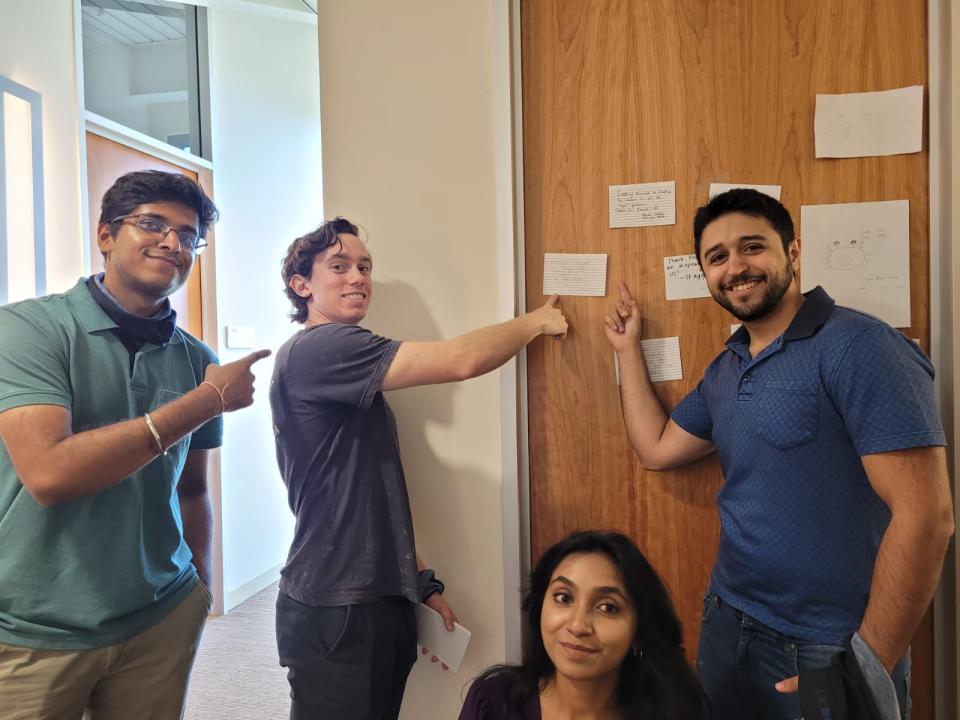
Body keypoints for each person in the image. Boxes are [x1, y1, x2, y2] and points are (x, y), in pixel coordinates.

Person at [602, 188, 954, 719]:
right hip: (728, 623)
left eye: (752, 247)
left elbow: (927, 517)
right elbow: (656, 447)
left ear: (792, 252)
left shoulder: (861, 346)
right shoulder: (726, 369)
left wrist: (865, 666)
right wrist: (628, 350)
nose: (735, 267)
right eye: (717, 257)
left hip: (829, 646)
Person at [270, 217, 568, 720]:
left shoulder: (343, 365)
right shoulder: (321, 348)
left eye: (364, 267)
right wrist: (535, 321)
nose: (357, 277)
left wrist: (418, 582)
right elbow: (461, 360)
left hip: (375, 596)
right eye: (339, 266)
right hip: (337, 605)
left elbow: (370, 494)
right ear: (302, 286)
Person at [0, 170, 270, 720]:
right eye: (152, 224)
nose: (172, 242)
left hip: (161, 617)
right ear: (105, 235)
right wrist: (206, 401)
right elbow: (50, 474)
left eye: (188, 235)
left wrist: (200, 587)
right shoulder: (28, 330)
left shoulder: (196, 358)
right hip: (34, 629)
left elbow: (192, 489)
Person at [459, 530, 708, 720]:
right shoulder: (495, 704)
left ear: (639, 631)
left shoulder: (674, 712)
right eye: (563, 598)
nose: (578, 625)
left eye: (607, 608)